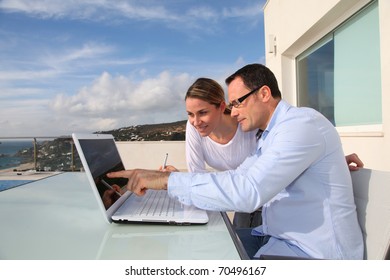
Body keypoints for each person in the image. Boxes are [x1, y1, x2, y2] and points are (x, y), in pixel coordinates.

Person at [108, 63, 364, 259]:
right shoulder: (271, 135)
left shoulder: (299, 124)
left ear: (264, 94)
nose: (235, 111)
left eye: (238, 103)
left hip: (314, 254)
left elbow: (248, 191)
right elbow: (239, 176)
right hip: (275, 236)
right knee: (192, 248)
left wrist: (166, 181)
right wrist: (171, 181)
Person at [169, 77, 364, 228]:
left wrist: (323, 160)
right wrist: (178, 181)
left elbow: (279, 152)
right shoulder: (194, 128)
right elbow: (199, 175)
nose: (195, 121)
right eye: (190, 114)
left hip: (264, 193)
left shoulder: (248, 124)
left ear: (221, 106)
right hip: (241, 192)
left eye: (202, 112)